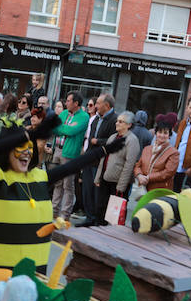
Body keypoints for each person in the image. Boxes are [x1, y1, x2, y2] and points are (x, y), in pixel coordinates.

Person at [0, 111, 125, 301]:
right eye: (19, 149)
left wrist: (104, 150)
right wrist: (35, 133)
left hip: (25, 286)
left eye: (29, 149)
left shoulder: (38, 178)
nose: (26, 153)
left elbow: (74, 165)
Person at [48, 91, 89, 221]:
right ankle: (54, 211)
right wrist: (64, 128)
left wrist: (63, 128)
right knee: (57, 183)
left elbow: (71, 131)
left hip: (70, 153)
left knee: (68, 185)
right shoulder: (64, 113)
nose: (66, 103)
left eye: (68, 101)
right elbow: (54, 128)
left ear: (76, 103)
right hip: (57, 151)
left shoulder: (83, 116)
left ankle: (65, 214)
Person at [95, 111, 141, 225]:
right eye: (117, 121)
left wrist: (121, 185)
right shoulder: (112, 137)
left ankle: (113, 236)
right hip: (105, 179)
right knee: (101, 208)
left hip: (118, 182)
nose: (117, 123)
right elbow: (103, 159)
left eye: (121, 122)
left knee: (115, 213)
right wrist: (98, 177)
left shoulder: (132, 140)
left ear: (129, 125)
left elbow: (129, 165)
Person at [80, 93, 117, 226]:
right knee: (87, 191)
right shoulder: (96, 119)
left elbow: (114, 141)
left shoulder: (115, 120)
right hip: (90, 159)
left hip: (101, 163)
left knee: (98, 194)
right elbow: (90, 138)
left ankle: (97, 220)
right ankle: (89, 218)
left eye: (98, 104)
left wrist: (98, 141)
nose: (95, 106)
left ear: (106, 106)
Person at [133, 121, 180, 192]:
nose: (162, 135)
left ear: (169, 135)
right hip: (143, 188)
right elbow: (138, 165)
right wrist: (139, 175)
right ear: (156, 133)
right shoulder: (147, 149)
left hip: (159, 190)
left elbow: (168, 172)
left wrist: (148, 178)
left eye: (165, 133)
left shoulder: (173, 153)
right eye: (160, 132)